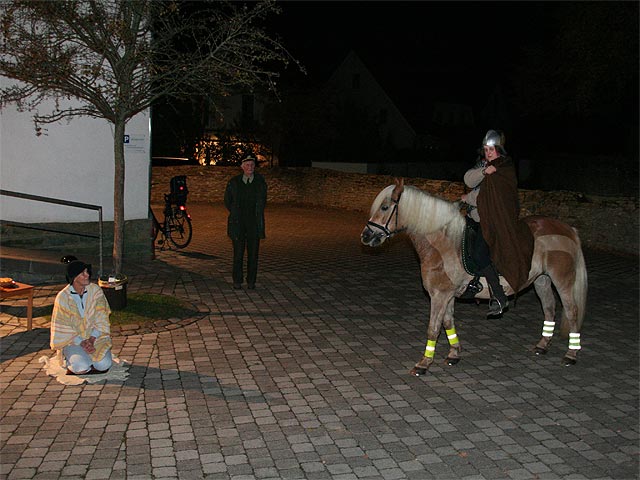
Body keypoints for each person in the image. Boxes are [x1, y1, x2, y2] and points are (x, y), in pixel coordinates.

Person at [460, 129, 533, 317]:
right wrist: (484, 171)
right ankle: (474, 281)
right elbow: (468, 178)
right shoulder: (485, 166)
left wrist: (469, 198)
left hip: (493, 221)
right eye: (485, 149)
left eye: (491, 149)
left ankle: (499, 296)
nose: (488, 153)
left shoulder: (504, 168)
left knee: (479, 252)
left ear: (499, 149)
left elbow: (489, 197)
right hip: (474, 218)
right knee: (462, 247)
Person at [50, 260, 113, 374]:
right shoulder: (63, 297)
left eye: (87, 272)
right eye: (83, 273)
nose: (87, 275)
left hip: (96, 338)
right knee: (81, 367)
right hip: (73, 341)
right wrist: (82, 342)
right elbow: (62, 327)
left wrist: (92, 339)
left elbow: (102, 318)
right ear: (74, 277)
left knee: (104, 365)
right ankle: (73, 358)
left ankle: (92, 357)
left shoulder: (95, 291)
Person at [224, 154, 268, 290]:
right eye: (247, 165)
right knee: (238, 254)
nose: (250, 167)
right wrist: (235, 212)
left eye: (252, 165)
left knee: (253, 255)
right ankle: (237, 280)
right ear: (242, 167)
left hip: (254, 224)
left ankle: (251, 281)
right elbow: (227, 201)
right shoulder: (234, 182)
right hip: (238, 223)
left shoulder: (260, 182)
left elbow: (263, 201)